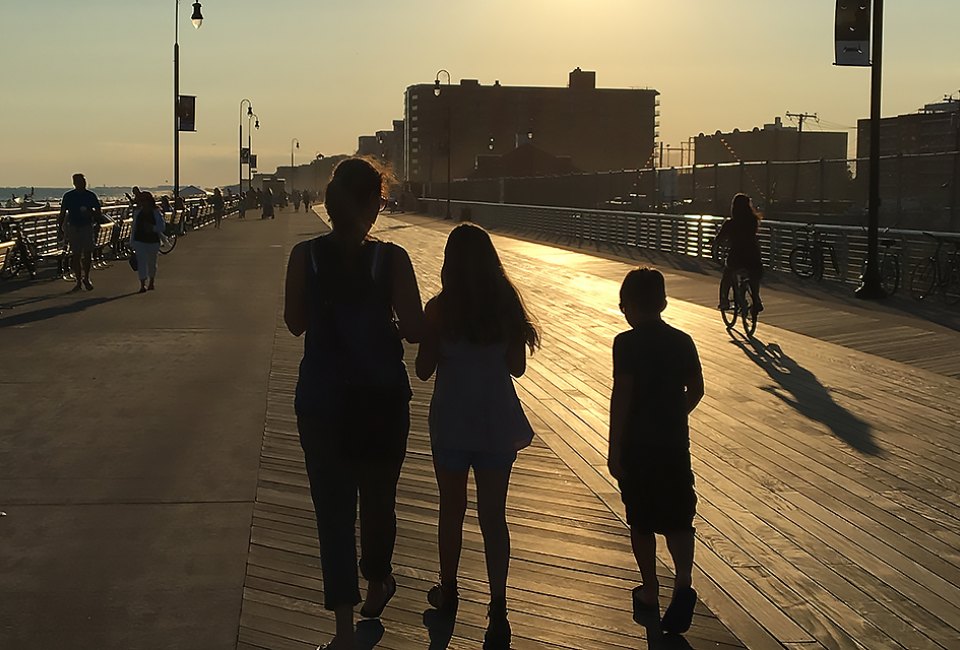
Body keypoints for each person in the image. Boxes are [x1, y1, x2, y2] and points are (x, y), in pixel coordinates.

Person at [283, 157, 424, 650]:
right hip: (382, 399)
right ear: (370, 203)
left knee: (333, 512)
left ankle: (344, 631)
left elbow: (294, 322)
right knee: (379, 500)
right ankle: (378, 581)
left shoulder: (307, 256)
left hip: (322, 400)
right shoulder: (392, 259)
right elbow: (413, 330)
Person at [415, 223, 540, 650]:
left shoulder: (439, 309)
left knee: (452, 511)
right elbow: (517, 368)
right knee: (493, 518)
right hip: (496, 423)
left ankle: (448, 591)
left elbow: (423, 369)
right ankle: (499, 607)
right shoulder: (505, 307)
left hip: (451, 422)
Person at [607, 267, 704, 636]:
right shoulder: (683, 340)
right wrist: (674, 414)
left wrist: (614, 449)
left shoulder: (626, 343)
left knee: (642, 520)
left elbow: (623, 395)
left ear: (628, 305)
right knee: (679, 517)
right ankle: (683, 582)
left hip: (638, 445)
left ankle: (650, 590)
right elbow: (696, 388)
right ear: (662, 302)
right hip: (674, 445)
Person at [714, 193, 764, 313]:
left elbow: (719, 239)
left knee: (727, 275)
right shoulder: (753, 220)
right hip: (753, 255)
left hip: (737, 256)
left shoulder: (730, 223)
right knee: (753, 276)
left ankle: (724, 301)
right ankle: (756, 300)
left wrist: (715, 245)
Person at [59, 173, 102, 291]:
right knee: (76, 255)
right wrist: (60, 228)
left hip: (87, 226)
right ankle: (78, 280)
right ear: (74, 183)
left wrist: (91, 213)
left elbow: (98, 212)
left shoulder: (90, 195)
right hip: (73, 226)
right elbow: (62, 212)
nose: (82, 183)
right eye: (79, 181)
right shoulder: (68, 196)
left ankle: (86, 278)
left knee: (87, 254)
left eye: (83, 181)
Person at [129, 192, 166, 293]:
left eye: (145, 200)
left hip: (153, 240)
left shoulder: (156, 212)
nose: (144, 203)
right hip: (139, 240)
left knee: (151, 262)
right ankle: (142, 284)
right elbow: (134, 228)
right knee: (141, 262)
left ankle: (151, 282)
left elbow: (162, 227)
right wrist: (132, 242)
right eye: (142, 200)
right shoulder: (137, 212)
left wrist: (152, 228)